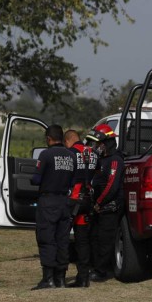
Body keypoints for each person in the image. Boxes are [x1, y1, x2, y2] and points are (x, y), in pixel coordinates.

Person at [31, 124, 76, 290]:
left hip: (48, 202)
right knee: (62, 240)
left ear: (48, 139)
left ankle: (48, 279)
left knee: (47, 238)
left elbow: (36, 179)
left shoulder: (46, 155)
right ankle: (61, 279)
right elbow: (73, 181)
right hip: (64, 202)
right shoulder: (71, 156)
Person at [85, 124, 125, 282]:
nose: (97, 147)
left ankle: (101, 272)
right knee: (94, 237)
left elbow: (112, 185)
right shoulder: (102, 160)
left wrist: (100, 202)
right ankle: (96, 268)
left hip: (109, 207)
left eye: (99, 144)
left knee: (104, 240)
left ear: (107, 142)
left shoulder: (115, 160)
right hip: (98, 208)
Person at [64, 129, 98, 287]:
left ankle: (59, 276)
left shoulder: (70, 153)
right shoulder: (94, 153)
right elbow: (97, 173)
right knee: (83, 241)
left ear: (67, 141)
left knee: (62, 237)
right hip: (88, 200)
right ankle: (83, 278)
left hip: (73, 200)